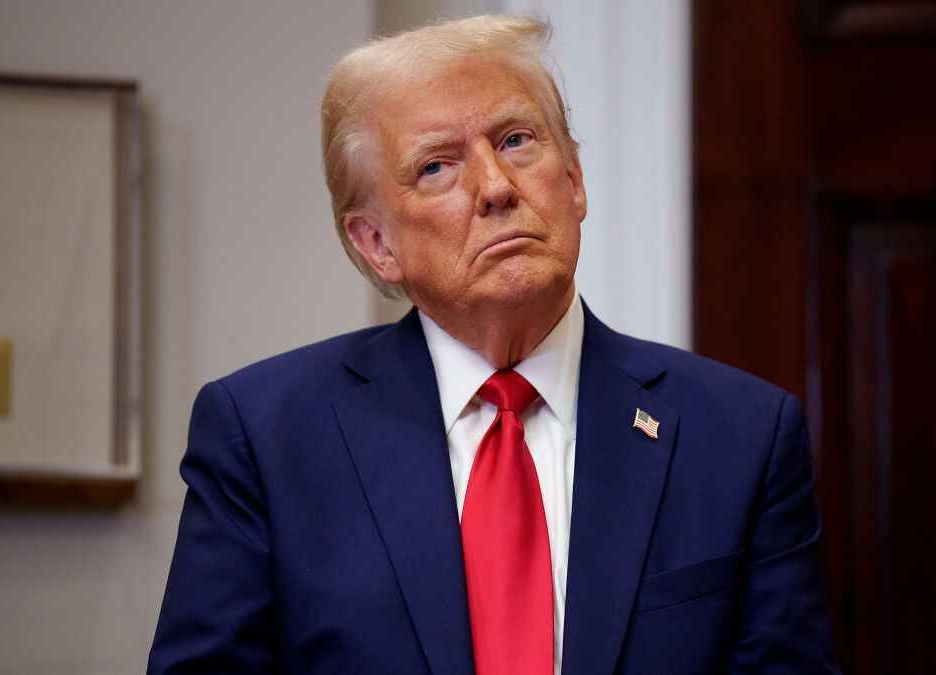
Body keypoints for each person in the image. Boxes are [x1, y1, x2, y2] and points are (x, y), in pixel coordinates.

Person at [149, 14, 840, 675]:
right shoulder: (265, 439)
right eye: (437, 166)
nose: (496, 187)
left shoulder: (742, 436)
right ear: (376, 243)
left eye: (515, 140)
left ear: (574, 180)